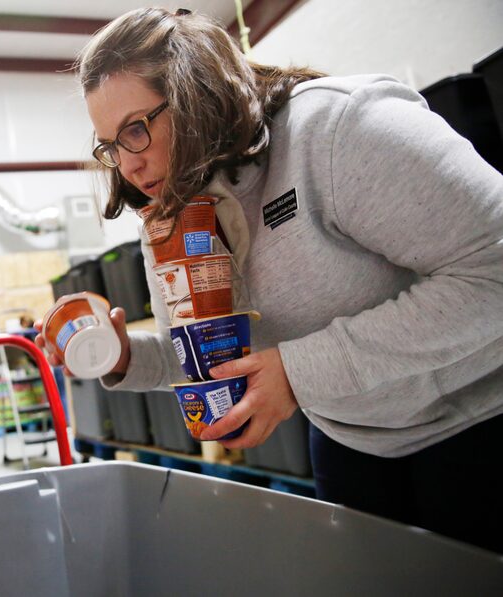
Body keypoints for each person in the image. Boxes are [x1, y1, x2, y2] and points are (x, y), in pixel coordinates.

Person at [36, 8, 503, 553]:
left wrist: (298, 373)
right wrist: (122, 357)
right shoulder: (172, 205)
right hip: (349, 441)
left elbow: (492, 269)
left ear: (197, 95)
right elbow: (202, 353)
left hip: (478, 422)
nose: (128, 166)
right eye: (110, 146)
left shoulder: (338, 130)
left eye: (136, 130)